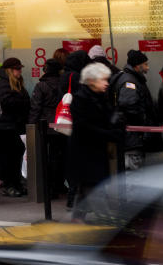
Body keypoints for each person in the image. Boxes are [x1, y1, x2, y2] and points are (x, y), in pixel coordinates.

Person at [68, 63, 124, 217]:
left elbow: (107, 118)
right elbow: (84, 126)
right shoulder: (80, 99)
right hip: (85, 151)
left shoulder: (100, 97)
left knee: (88, 185)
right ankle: (104, 218)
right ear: (91, 81)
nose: (106, 83)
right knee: (93, 186)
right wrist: (109, 134)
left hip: (96, 150)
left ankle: (77, 218)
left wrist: (115, 124)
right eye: (103, 80)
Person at [112, 50, 159, 170]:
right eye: (146, 64)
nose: (148, 68)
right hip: (133, 138)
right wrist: (142, 125)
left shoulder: (133, 78)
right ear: (138, 66)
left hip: (134, 137)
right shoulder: (129, 82)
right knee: (134, 175)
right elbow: (128, 106)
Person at [29, 58, 66, 196]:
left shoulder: (41, 86)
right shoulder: (63, 84)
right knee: (59, 156)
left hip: (45, 124)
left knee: (46, 157)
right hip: (61, 124)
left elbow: (36, 107)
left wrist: (31, 125)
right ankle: (59, 184)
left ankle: (48, 187)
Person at [0, 57, 30, 197]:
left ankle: (16, 184)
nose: (20, 71)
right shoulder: (3, 84)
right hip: (6, 127)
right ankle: (10, 185)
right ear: (10, 70)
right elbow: (6, 102)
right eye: (17, 69)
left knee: (15, 157)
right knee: (8, 159)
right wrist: (22, 102)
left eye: (20, 68)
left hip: (14, 126)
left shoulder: (16, 83)